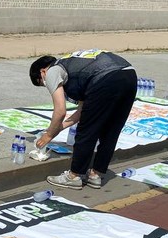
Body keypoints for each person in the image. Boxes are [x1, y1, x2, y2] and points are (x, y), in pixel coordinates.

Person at [28, 50, 137, 190]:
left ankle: (74, 176)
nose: (47, 85)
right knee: (111, 130)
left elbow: (60, 111)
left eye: (42, 83)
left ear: (42, 72)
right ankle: (95, 174)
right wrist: (57, 129)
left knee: (87, 130)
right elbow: (81, 111)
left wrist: (49, 135)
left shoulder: (52, 71)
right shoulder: (75, 66)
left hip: (105, 78)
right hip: (129, 75)